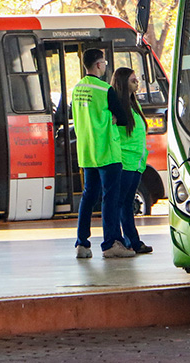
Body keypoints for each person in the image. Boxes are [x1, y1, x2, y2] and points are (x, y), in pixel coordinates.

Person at [72, 48, 134, 259]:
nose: (105, 66)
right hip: (107, 151)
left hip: (87, 151)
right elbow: (123, 118)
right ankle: (111, 243)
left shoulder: (77, 89)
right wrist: (114, 118)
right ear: (99, 65)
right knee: (110, 198)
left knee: (88, 196)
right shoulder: (104, 89)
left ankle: (82, 243)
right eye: (104, 62)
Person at [113, 67, 153, 255]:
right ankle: (128, 241)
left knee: (127, 203)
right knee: (122, 203)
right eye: (133, 80)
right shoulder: (117, 107)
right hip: (125, 162)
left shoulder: (134, 105)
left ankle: (132, 241)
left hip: (137, 163)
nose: (137, 82)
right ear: (123, 83)